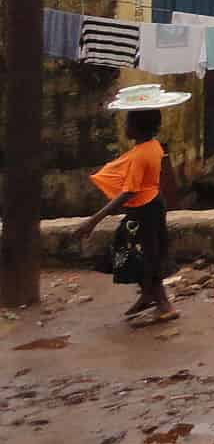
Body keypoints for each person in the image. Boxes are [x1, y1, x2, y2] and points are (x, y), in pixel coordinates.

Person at [74, 85, 188, 327]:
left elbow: (130, 191)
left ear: (137, 127)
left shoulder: (139, 156)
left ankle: (165, 306)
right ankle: (148, 296)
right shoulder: (154, 146)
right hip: (152, 206)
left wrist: (93, 220)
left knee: (143, 257)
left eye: (128, 121)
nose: (124, 126)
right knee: (141, 253)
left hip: (143, 211)